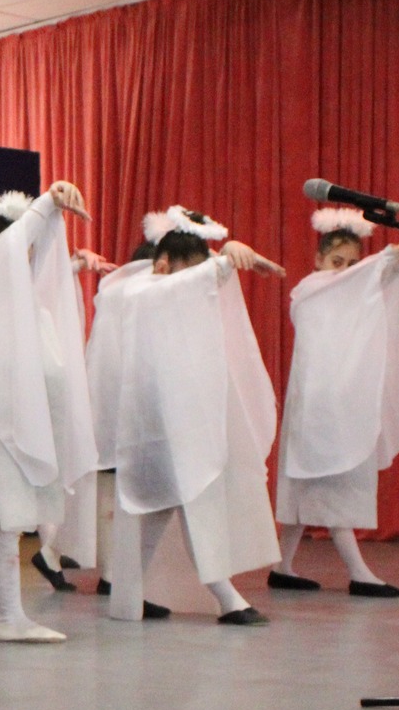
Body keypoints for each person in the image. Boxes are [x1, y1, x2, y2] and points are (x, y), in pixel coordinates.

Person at [101, 207, 284, 625]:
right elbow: (179, 288)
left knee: (162, 508)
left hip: (175, 420)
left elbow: (196, 290)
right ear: (162, 264)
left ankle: (129, 597)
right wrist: (223, 260)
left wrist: (228, 257)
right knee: (186, 500)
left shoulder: (172, 295)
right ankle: (227, 598)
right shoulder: (137, 292)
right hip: (153, 422)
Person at [0, 182, 99, 643]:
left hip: (5, 423)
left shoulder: (13, 298)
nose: (27, 257)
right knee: (8, 520)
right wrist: (47, 204)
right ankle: (11, 617)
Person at [271, 207, 399, 596]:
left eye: (352, 264)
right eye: (336, 262)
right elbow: (365, 278)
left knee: (309, 484)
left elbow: (376, 279)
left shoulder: (355, 293)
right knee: (331, 482)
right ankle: (358, 572)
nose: (345, 270)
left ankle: (282, 566)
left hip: (338, 402)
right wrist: (391, 254)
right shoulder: (309, 290)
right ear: (318, 260)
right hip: (317, 404)